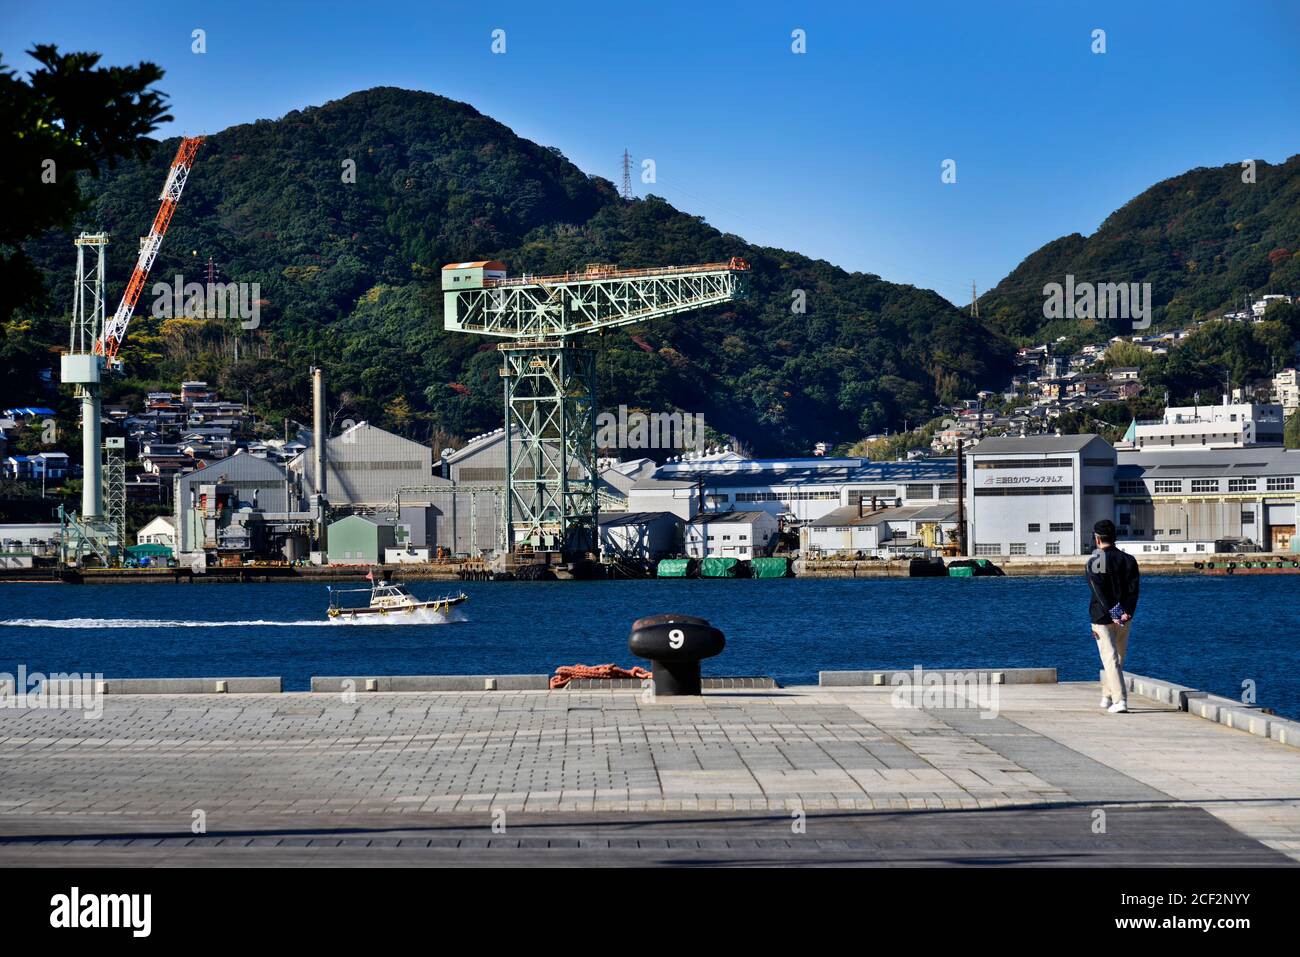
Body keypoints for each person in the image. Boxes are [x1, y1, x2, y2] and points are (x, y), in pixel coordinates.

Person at [1085, 519, 1140, 714]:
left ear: (1097, 539)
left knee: (1110, 658)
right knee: (1118, 657)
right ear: (1114, 538)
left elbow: (1100, 592)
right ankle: (1107, 696)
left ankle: (1119, 700)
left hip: (1101, 617)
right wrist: (1124, 613)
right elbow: (1134, 591)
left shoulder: (1095, 561)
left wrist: (1113, 612)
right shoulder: (1129, 560)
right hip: (1125, 616)